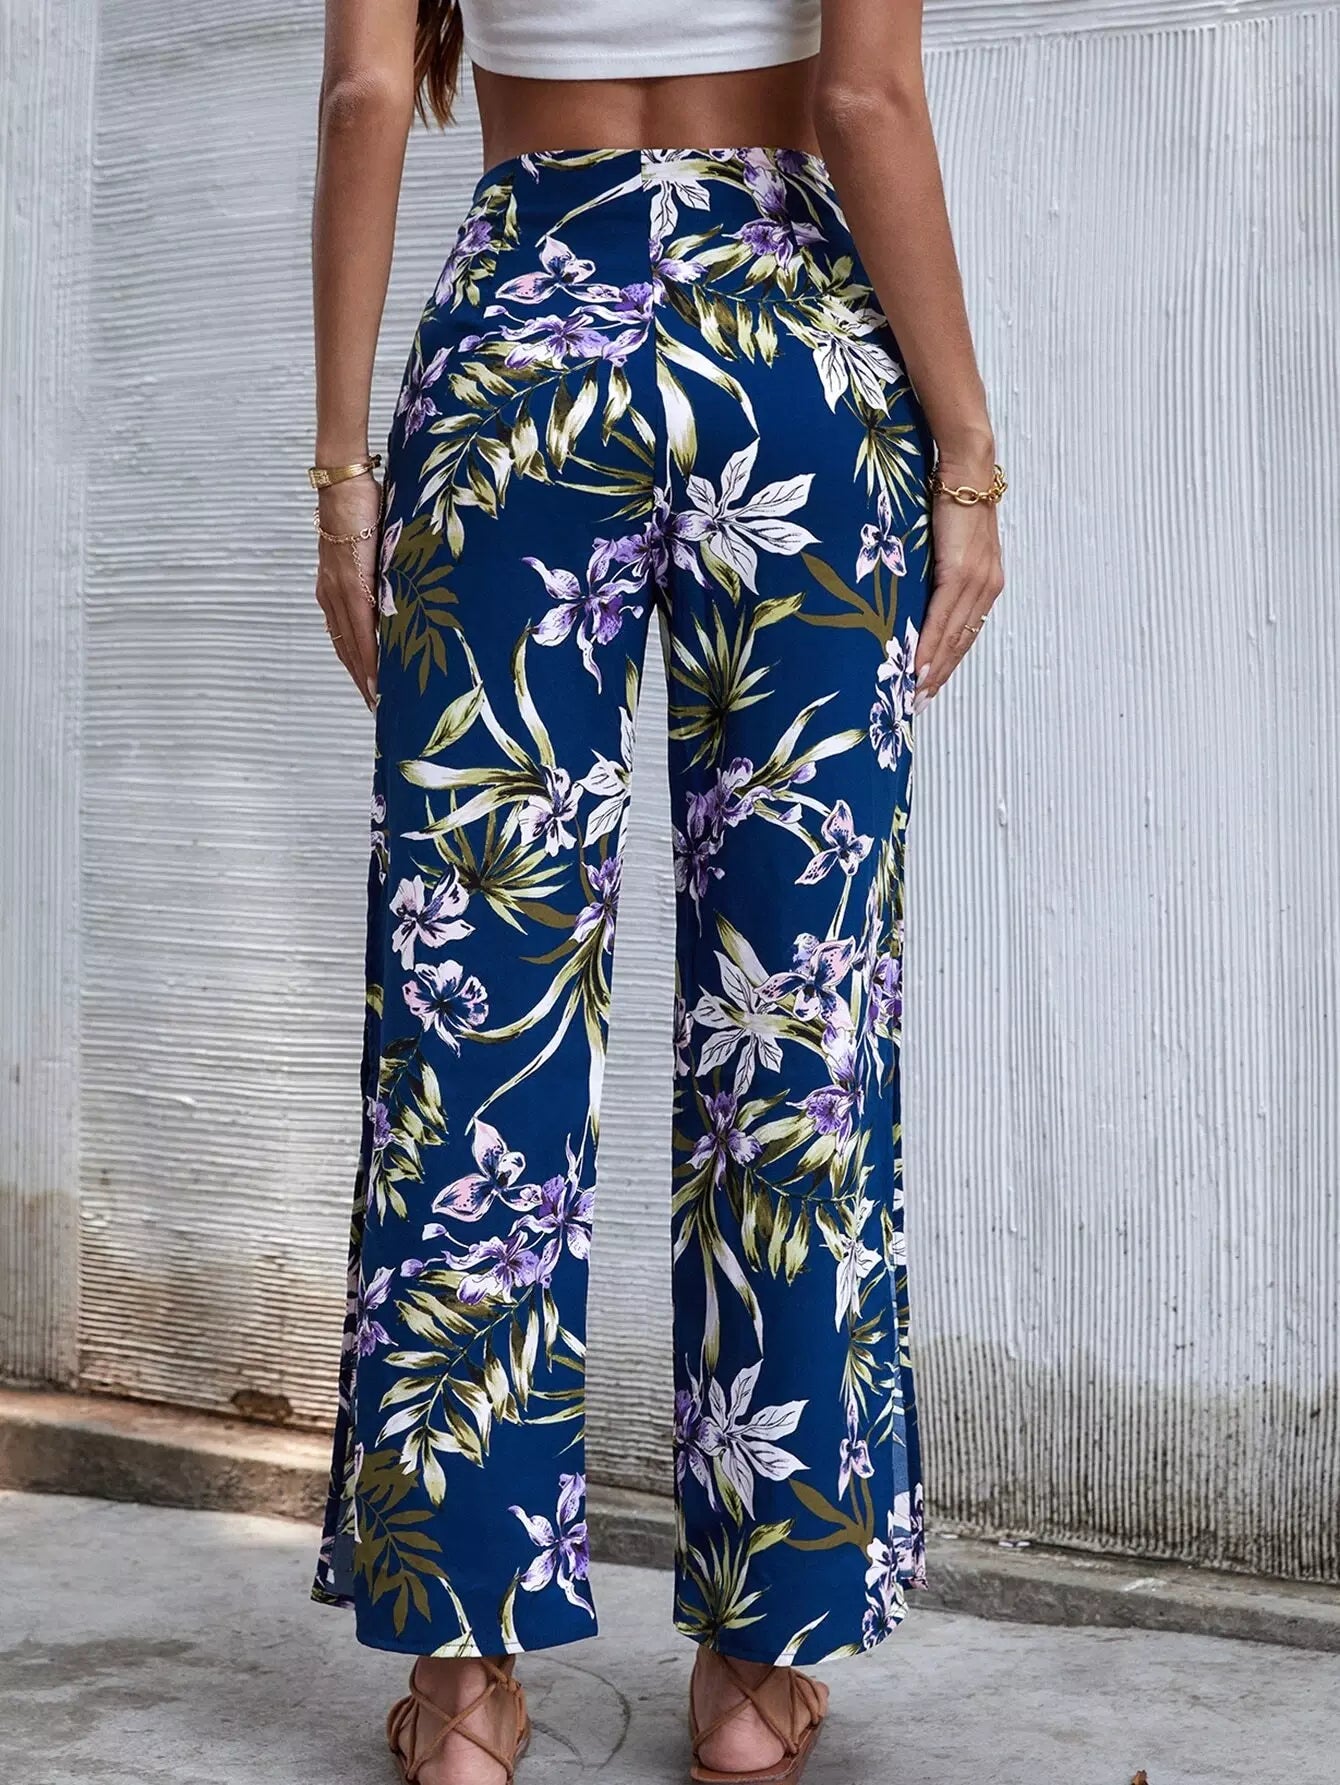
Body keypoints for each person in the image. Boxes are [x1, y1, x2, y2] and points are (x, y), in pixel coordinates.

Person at [308, 1, 1005, 1779]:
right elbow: (865, 99)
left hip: (519, 348)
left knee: (474, 1005)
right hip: (788, 351)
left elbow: (371, 89)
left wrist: (341, 472)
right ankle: (756, 1677)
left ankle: (462, 1693)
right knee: (797, 1008)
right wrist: (970, 454)